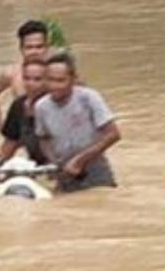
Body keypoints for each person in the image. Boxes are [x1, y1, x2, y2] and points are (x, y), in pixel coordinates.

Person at [35, 53, 120, 192]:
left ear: (73, 79)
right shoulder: (41, 107)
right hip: (64, 171)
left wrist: (80, 160)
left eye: (60, 80)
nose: (53, 86)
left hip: (95, 168)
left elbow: (113, 134)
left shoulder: (89, 98)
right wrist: (53, 162)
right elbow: (43, 138)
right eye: (49, 80)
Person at [0, 20, 51, 127]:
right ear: (21, 48)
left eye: (39, 47)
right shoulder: (12, 74)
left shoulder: (58, 73)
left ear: (46, 47)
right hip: (24, 133)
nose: (34, 52)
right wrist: (1, 127)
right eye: (29, 47)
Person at [0, 57, 51, 169]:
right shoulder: (18, 106)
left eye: (37, 79)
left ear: (47, 81)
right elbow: (9, 145)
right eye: (26, 78)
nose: (31, 84)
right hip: (35, 167)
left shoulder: (57, 106)